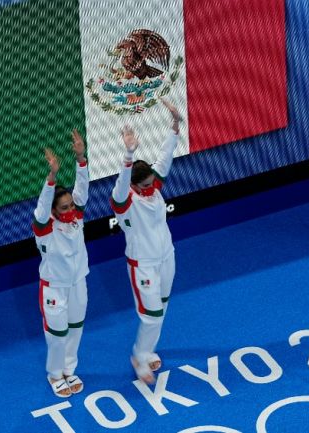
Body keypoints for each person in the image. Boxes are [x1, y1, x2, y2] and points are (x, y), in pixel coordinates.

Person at [110, 99, 182, 384]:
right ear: (132, 186)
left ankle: (148, 349)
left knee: (161, 308)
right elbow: (120, 186)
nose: (152, 188)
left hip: (167, 256)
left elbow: (166, 157)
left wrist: (175, 126)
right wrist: (128, 154)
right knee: (151, 315)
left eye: (152, 182)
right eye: (144, 185)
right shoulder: (124, 202)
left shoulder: (152, 187)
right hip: (143, 265)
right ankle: (140, 357)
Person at [33, 130, 89, 397]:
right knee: (57, 334)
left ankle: (69, 369)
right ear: (54, 211)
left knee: (76, 328)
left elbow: (83, 189)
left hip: (78, 281)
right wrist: (52, 177)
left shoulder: (76, 216)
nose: (69, 210)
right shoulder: (44, 227)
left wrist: (80, 157)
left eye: (70, 205)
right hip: (54, 287)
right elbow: (43, 206)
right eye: (63, 207)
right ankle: (55, 375)